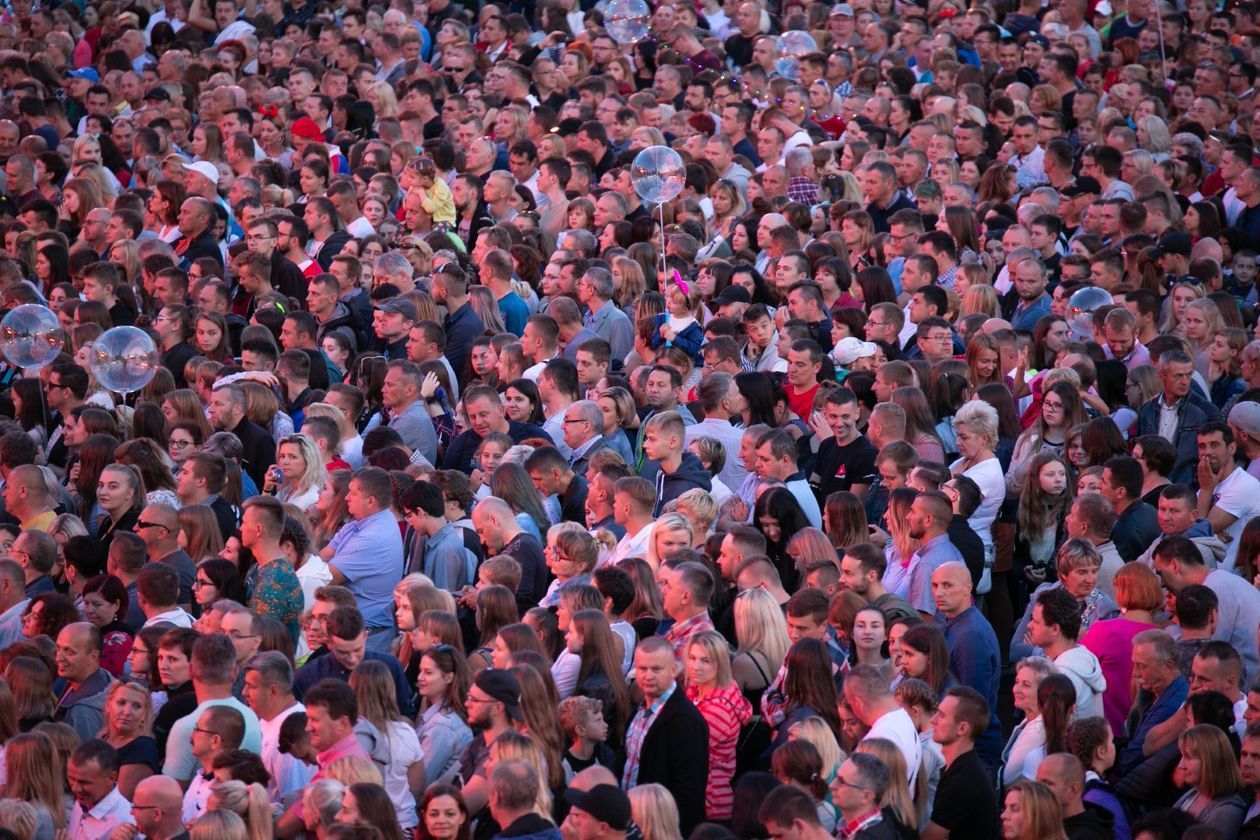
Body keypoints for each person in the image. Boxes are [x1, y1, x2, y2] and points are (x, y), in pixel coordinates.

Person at [622, 637, 709, 834]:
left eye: (656, 669)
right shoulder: (639, 711)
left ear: (673, 670)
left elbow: (689, 791)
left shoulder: (686, 721)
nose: (648, 676)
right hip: (633, 825)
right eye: (642, 669)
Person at [931, 562, 1002, 763]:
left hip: (974, 750)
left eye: (947, 585)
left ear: (968, 587)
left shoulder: (971, 636)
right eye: (935, 586)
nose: (939, 593)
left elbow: (973, 703)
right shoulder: (955, 622)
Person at [925, 686, 999, 840]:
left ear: (962, 728)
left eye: (942, 715)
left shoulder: (964, 781)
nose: (933, 720)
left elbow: (930, 837)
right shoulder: (959, 768)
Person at [67, 739, 135, 840]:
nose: (75, 788)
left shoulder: (125, 821)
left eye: (84, 782)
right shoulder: (84, 800)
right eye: (71, 778)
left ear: (112, 778)